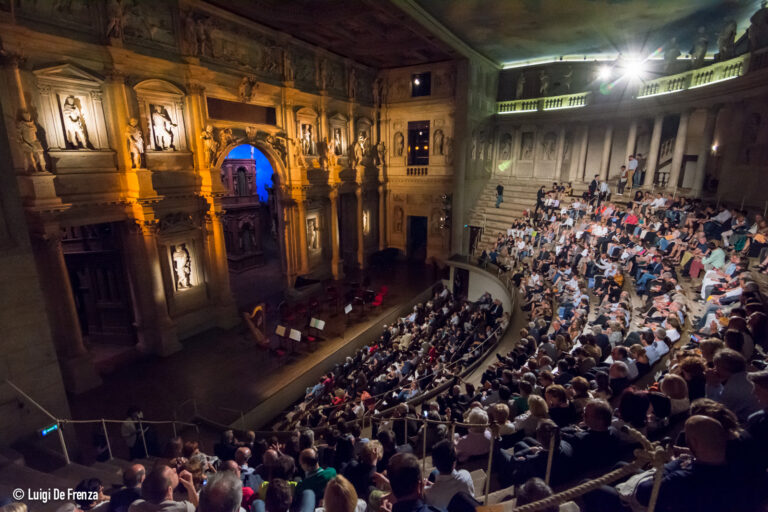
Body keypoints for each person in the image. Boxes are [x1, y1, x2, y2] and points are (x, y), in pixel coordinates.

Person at [705, 348, 760, 423]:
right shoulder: (746, 377)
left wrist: (711, 384)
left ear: (725, 368)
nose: (714, 370)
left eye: (716, 366)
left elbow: (716, 411)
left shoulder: (734, 387)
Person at [424, 440, 475, 509]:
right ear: (454, 463)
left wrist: (425, 488)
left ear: (434, 463)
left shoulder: (429, 493)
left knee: (434, 473)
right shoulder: (466, 475)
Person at [128, 466, 198, 512]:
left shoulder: (135, 506)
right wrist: (191, 487)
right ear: (169, 490)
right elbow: (200, 508)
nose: (175, 469)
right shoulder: (184, 509)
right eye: (173, 473)